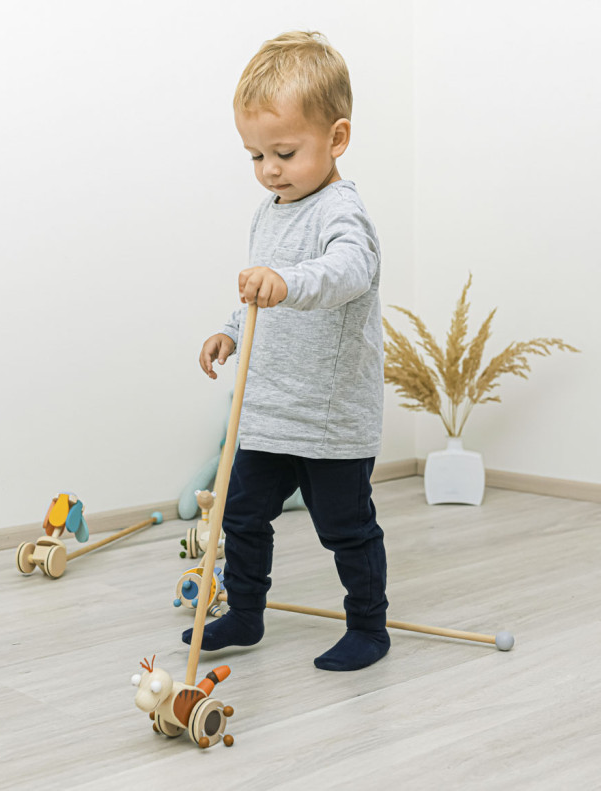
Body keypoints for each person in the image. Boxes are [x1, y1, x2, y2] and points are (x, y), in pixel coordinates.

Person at [182, 31, 389, 671]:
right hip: (269, 411)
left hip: (328, 419)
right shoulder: (270, 210)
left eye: (285, 152)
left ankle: (368, 626)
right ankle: (245, 612)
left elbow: (347, 271)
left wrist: (289, 282)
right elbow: (259, 289)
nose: (269, 169)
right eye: (256, 155)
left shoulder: (341, 211)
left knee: (345, 528)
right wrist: (230, 329)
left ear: (337, 138)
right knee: (241, 516)